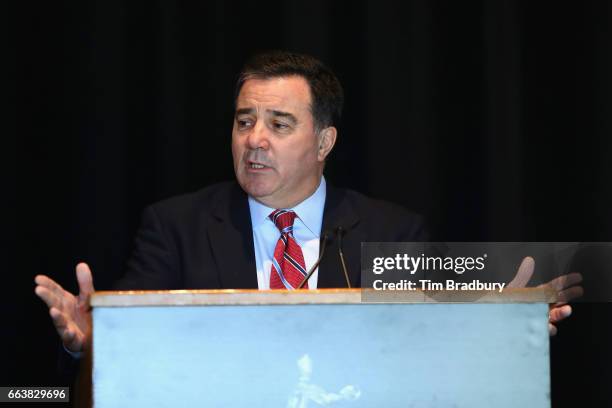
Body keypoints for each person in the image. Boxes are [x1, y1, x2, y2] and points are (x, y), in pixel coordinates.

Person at [34, 51, 578, 355]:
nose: (255, 139)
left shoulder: (389, 232)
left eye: (279, 124)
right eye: (244, 121)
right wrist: (91, 340)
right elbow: (132, 330)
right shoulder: (176, 226)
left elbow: (427, 339)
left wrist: (502, 327)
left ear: (324, 142)